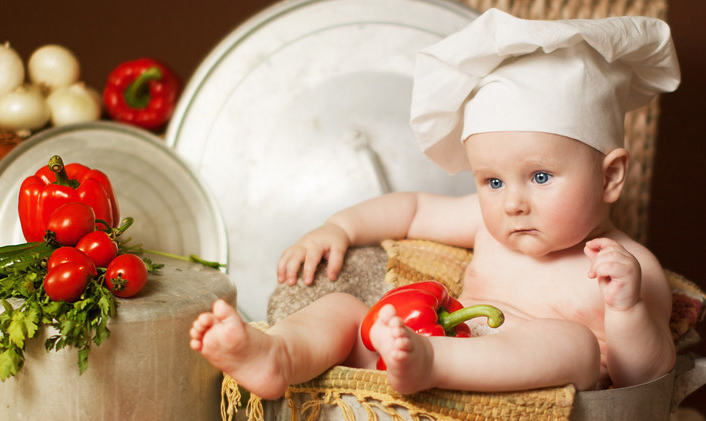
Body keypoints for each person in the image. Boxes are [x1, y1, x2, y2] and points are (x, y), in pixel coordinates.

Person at [189, 9, 681, 399]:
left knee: (573, 345)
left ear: (610, 177)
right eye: (491, 181)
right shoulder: (491, 227)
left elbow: (648, 378)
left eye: (540, 176)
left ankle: (429, 365)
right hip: (433, 342)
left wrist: (627, 309)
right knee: (342, 308)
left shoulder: (630, 268)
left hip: (502, 375)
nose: (512, 202)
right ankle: (279, 355)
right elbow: (414, 210)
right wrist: (339, 227)